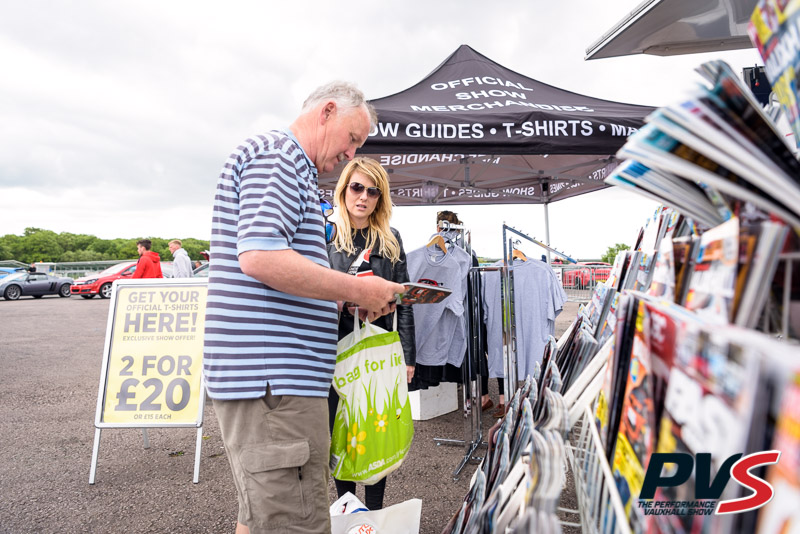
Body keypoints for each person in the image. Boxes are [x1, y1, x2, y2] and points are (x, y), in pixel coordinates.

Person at [203, 81, 405, 534]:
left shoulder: (282, 161)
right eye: (353, 138)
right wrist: (357, 291)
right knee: (294, 521)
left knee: (262, 516)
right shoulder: (281, 156)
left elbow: (270, 263)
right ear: (327, 112)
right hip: (275, 383)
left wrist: (337, 298)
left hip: (269, 381)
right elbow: (261, 256)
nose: (351, 152)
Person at [326, 157, 415, 511]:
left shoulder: (391, 239)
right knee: (342, 434)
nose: (363, 196)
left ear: (381, 198)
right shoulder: (325, 235)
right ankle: (348, 512)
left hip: (379, 351)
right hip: (335, 352)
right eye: (357, 187)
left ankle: (374, 516)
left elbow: (405, 301)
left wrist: (408, 357)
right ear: (344, 189)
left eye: (373, 191)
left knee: (377, 431)